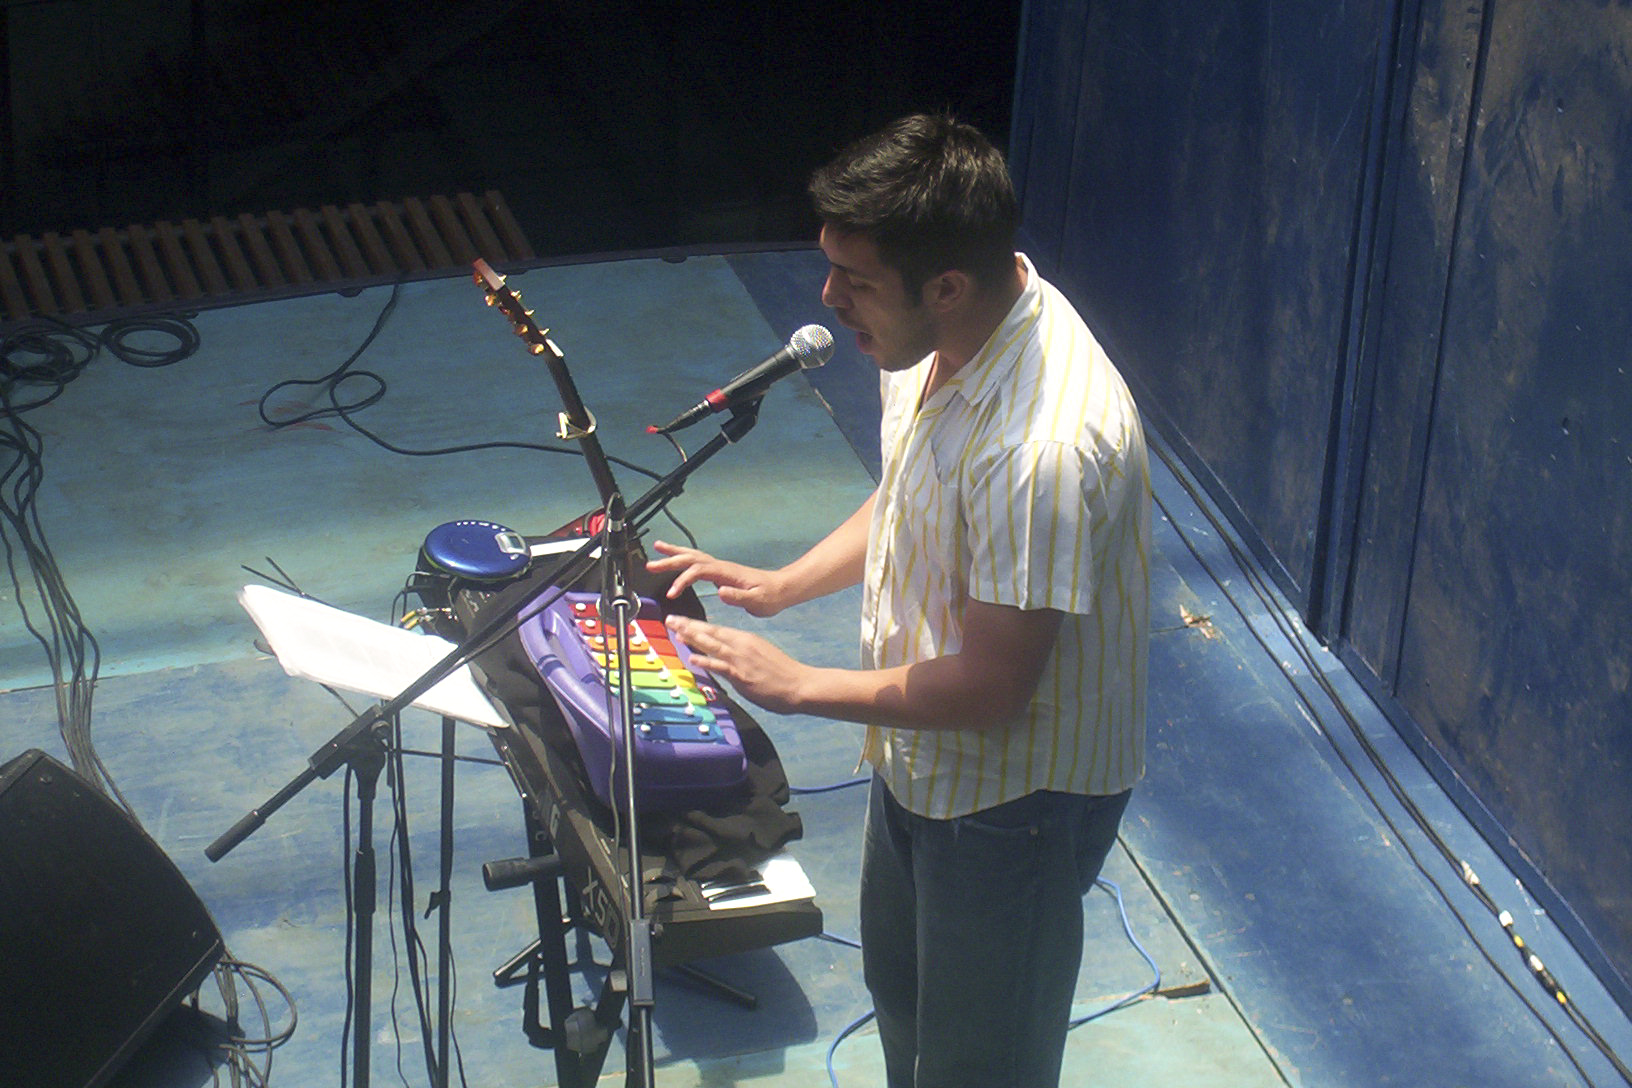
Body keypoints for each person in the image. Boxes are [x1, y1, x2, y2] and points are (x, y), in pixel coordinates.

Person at [648, 112, 1152, 1088]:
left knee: (978, 1064)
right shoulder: (935, 337)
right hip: (920, 759)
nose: (828, 299)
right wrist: (788, 582)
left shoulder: (1038, 445)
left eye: (856, 281)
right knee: (906, 1005)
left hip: (1016, 796)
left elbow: (994, 687)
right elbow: (914, 485)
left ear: (948, 285)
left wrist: (799, 686)